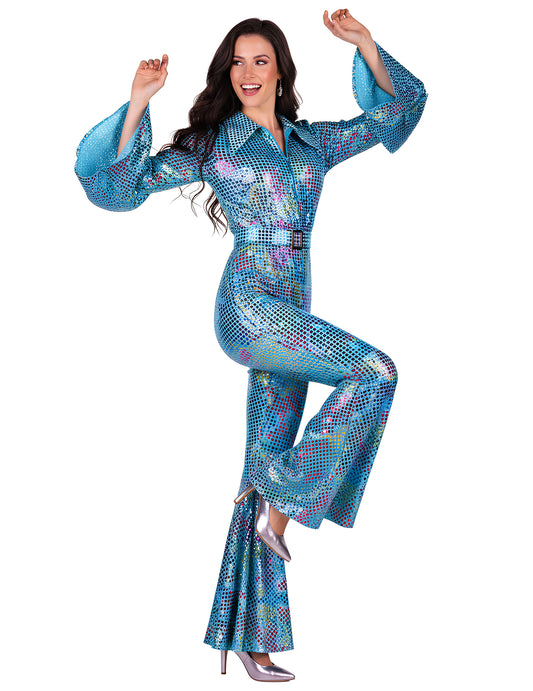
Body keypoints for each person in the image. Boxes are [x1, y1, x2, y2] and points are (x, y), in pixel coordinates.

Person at [74, 9, 427, 683]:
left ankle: (247, 637)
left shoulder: (312, 143)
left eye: (260, 60)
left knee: (259, 466)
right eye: (236, 61)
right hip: (249, 310)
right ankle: (282, 501)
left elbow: (398, 113)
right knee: (375, 371)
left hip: (293, 312)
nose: (246, 72)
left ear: (280, 72)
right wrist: (139, 102)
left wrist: (364, 44)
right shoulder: (213, 146)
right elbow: (115, 186)